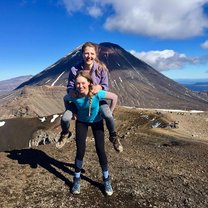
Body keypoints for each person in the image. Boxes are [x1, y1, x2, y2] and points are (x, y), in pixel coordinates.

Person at [56, 42, 123, 152]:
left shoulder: (101, 69)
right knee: (65, 118)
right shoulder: (74, 70)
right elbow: (69, 87)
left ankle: (113, 136)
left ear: (96, 55)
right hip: (78, 100)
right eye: (86, 53)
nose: (89, 56)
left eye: (92, 53)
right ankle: (64, 134)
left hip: (97, 100)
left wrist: (100, 87)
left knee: (108, 115)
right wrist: (71, 91)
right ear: (82, 54)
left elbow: (105, 86)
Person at [69, 70, 117, 195]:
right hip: (81, 122)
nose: (80, 86)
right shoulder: (74, 95)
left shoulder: (97, 93)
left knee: (100, 150)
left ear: (89, 82)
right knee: (80, 150)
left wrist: (110, 113)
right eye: (77, 84)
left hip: (97, 122)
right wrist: (73, 113)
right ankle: (77, 179)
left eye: (83, 83)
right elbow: (65, 100)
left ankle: (106, 179)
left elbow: (114, 97)